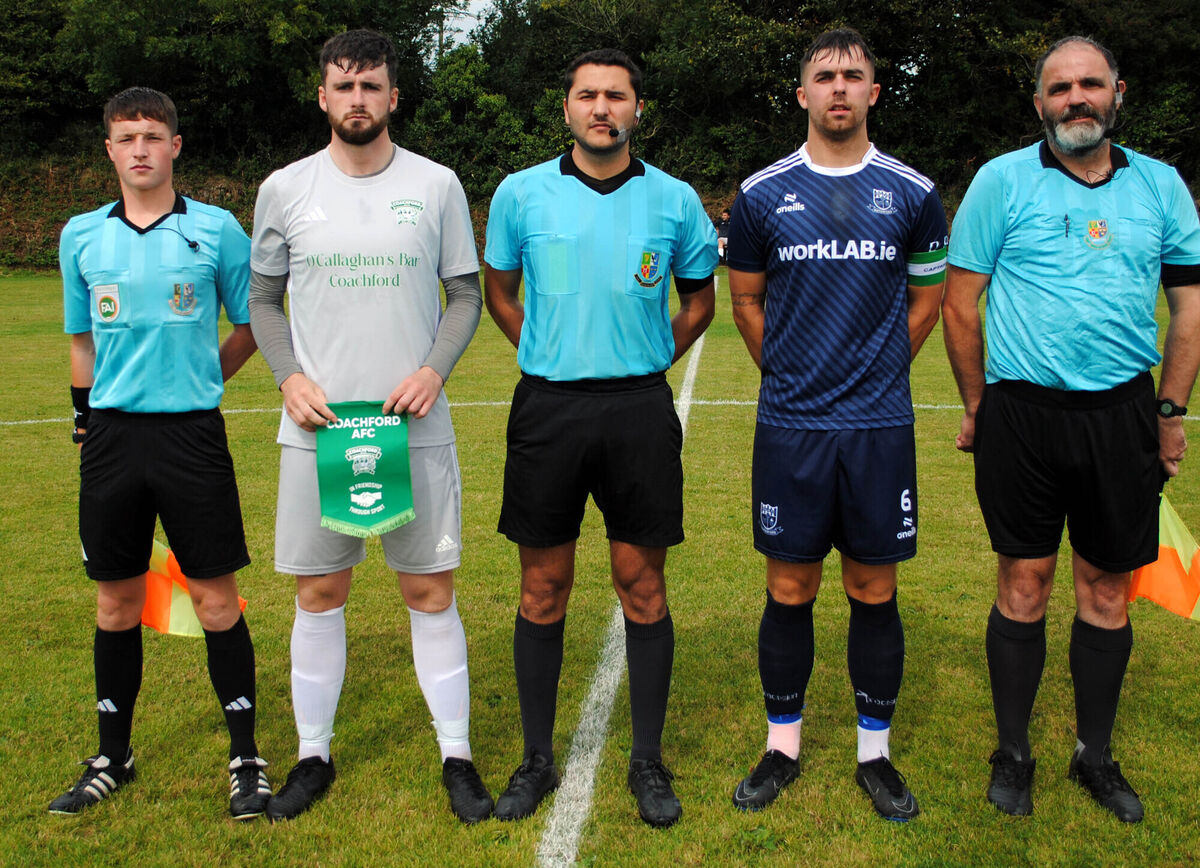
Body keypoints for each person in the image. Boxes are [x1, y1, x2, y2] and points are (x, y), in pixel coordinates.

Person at [943, 35, 1200, 824]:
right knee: (1024, 584)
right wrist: (980, 404)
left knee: (1106, 589)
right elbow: (960, 302)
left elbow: (1189, 308)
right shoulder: (1001, 181)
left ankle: (1096, 754)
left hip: (1121, 416)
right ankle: (1012, 754)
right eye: (1060, 89)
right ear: (1039, 103)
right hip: (1022, 415)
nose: (1076, 99)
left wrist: (1169, 411)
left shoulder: (1161, 186)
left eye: (1091, 85)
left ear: (1118, 92)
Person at [248, 29, 489, 823]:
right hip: (319, 430)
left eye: (372, 86)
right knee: (319, 592)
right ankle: (313, 754)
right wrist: (289, 377)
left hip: (411, 425)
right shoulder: (284, 188)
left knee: (428, 589)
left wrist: (431, 371)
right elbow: (261, 300)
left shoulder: (439, 184)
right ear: (323, 97)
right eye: (343, 87)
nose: (358, 99)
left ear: (393, 96)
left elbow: (465, 295)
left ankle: (456, 754)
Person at [483, 48, 717, 828]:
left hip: (638, 413)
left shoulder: (675, 200)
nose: (601, 107)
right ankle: (536, 759)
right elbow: (500, 288)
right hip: (548, 409)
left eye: (616, 95)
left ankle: (646, 759)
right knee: (542, 587)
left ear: (637, 109)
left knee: (641, 585)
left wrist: (648, 360)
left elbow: (699, 303)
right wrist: (540, 351)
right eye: (587, 95)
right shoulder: (520, 194)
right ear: (567, 109)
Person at [725, 28, 948, 822]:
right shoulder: (761, 194)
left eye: (855, 75)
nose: (840, 88)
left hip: (878, 424)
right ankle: (781, 745)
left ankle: (873, 755)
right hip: (792, 423)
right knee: (789, 585)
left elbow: (927, 300)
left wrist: (885, 365)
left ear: (875, 92)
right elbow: (745, 299)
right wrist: (783, 370)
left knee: (872, 586)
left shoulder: (913, 193)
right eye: (826, 76)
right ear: (803, 95)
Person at [54, 87, 269, 820]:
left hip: (191, 436)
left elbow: (251, 322)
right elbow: (81, 340)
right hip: (111, 438)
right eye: (126, 137)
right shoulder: (81, 236)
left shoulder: (215, 230)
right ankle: (113, 756)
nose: (140, 148)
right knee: (116, 600)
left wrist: (208, 376)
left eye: (152, 135)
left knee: (214, 599)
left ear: (176, 145)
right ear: (109, 150)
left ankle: (245, 757)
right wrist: (84, 418)